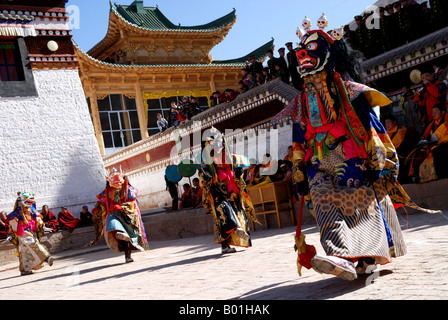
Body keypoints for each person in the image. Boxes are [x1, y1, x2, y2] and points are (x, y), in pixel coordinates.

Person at [271, 21, 439, 281]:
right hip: (318, 163)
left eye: (312, 48)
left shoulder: (351, 92)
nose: (303, 54)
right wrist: (299, 171)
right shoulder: (300, 101)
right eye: (300, 51)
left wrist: (376, 159)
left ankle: (367, 257)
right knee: (324, 202)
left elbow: (372, 127)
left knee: (361, 207)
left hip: (353, 159)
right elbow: (298, 140)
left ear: (329, 52)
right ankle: (339, 255)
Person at [199, 128, 260, 254]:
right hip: (217, 191)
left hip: (232, 192)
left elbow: (238, 177)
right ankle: (225, 245)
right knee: (223, 214)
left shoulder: (232, 159)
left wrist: (239, 174)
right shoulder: (207, 163)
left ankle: (235, 234)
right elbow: (202, 181)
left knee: (237, 213)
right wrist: (206, 179)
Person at [88, 168, 149, 263]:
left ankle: (127, 255)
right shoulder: (107, 191)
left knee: (127, 238)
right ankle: (121, 233)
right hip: (114, 214)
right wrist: (99, 208)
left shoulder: (129, 190)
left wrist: (122, 207)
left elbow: (132, 202)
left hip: (127, 215)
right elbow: (103, 201)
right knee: (112, 224)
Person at [7, 192, 54, 276]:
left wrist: (43, 227)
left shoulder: (31, 210)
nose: (30, 203)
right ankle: (46, 258)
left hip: (31, 232)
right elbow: (12, 224)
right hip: (22, 233)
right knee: (34, 245)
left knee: (25, 253)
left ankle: (25, 270)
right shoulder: (16, 213)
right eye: (28, 201)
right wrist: (12, 235)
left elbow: (38, 219)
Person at [404, 104, 448, 183]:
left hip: (443, 144)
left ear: (443, 112)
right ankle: (415, 175)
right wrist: (425, 138)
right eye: (432, 112)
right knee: (417, 154)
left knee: (438, 151)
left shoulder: (446, 121)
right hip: (431, 145)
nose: (433, 114)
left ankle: (440, 174)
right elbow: (427, 135)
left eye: (436, 112)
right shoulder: (431, 124)